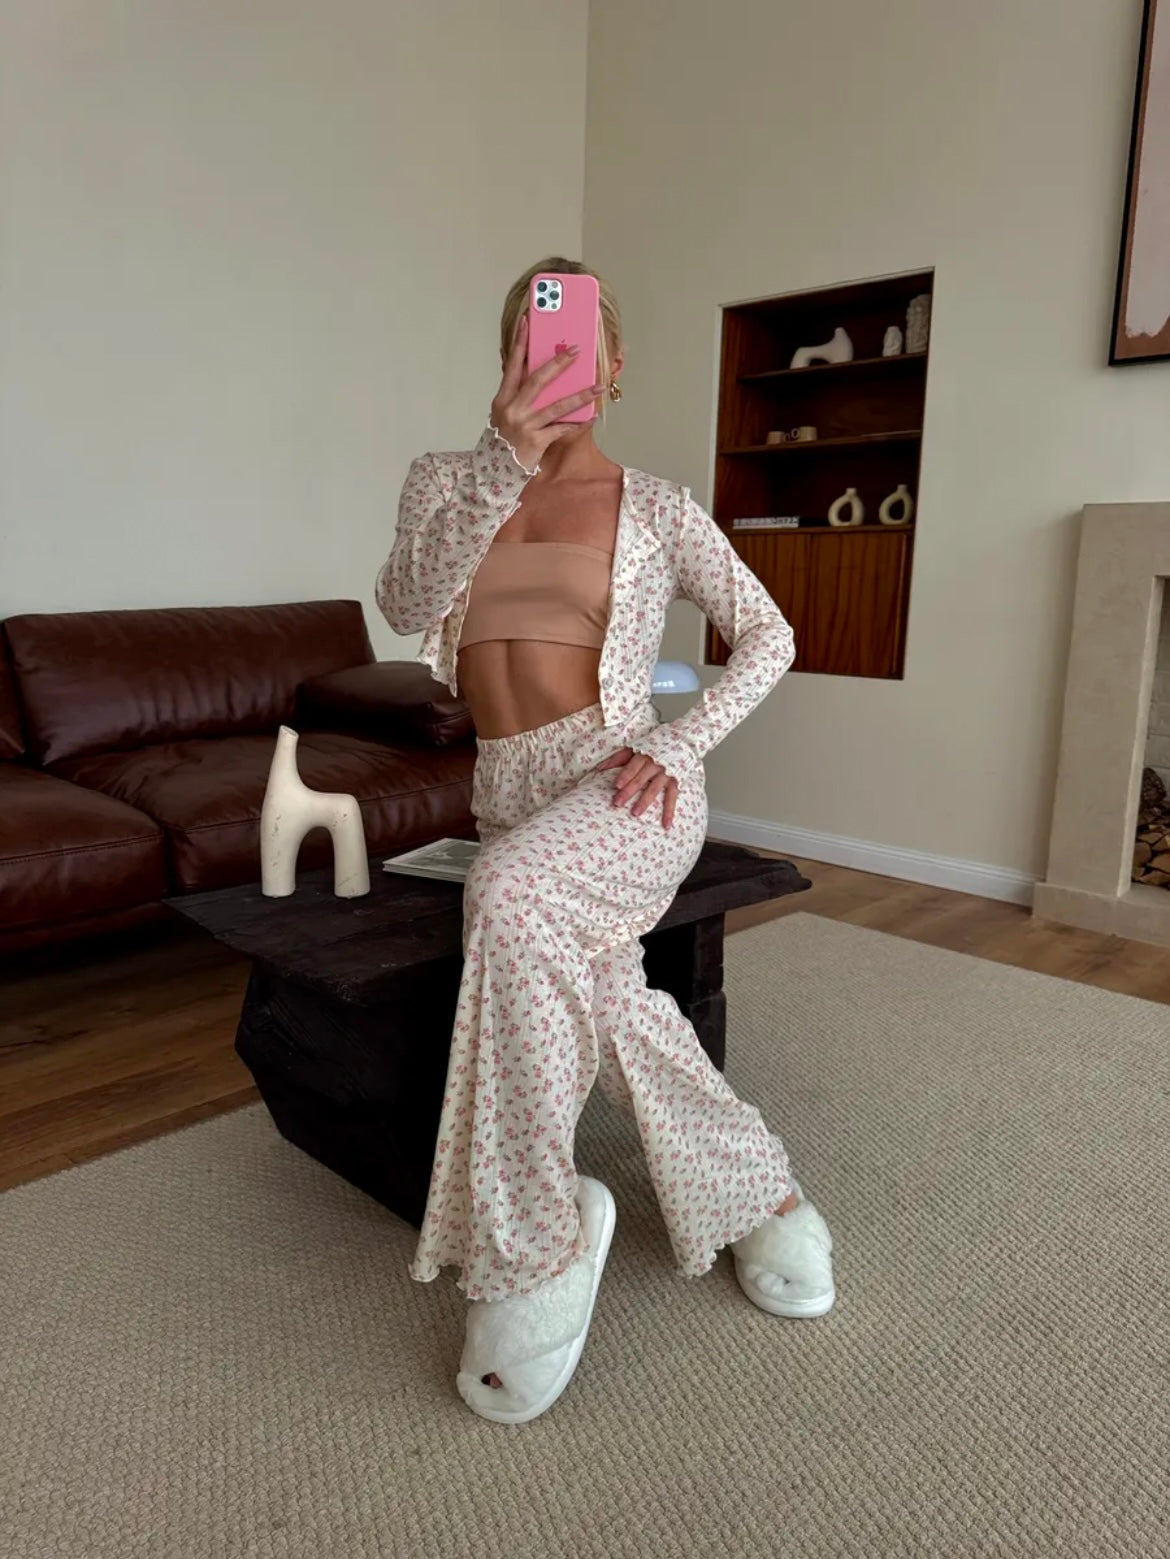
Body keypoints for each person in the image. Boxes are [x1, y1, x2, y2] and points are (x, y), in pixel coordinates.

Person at [375, 258, 834, 1425]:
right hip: (509, 791)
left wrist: (682, 743)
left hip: (627, 789)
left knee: (507, 901)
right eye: (531, 345)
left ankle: (534, 1243)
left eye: (578, 347)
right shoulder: (448, 479)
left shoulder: (661, 507)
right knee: (608, 996)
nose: (555, 364)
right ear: (507, 361)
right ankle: (761, 1194)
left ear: (615, 368)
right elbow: (403, 600)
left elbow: (769, 633)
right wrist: (502, 459)